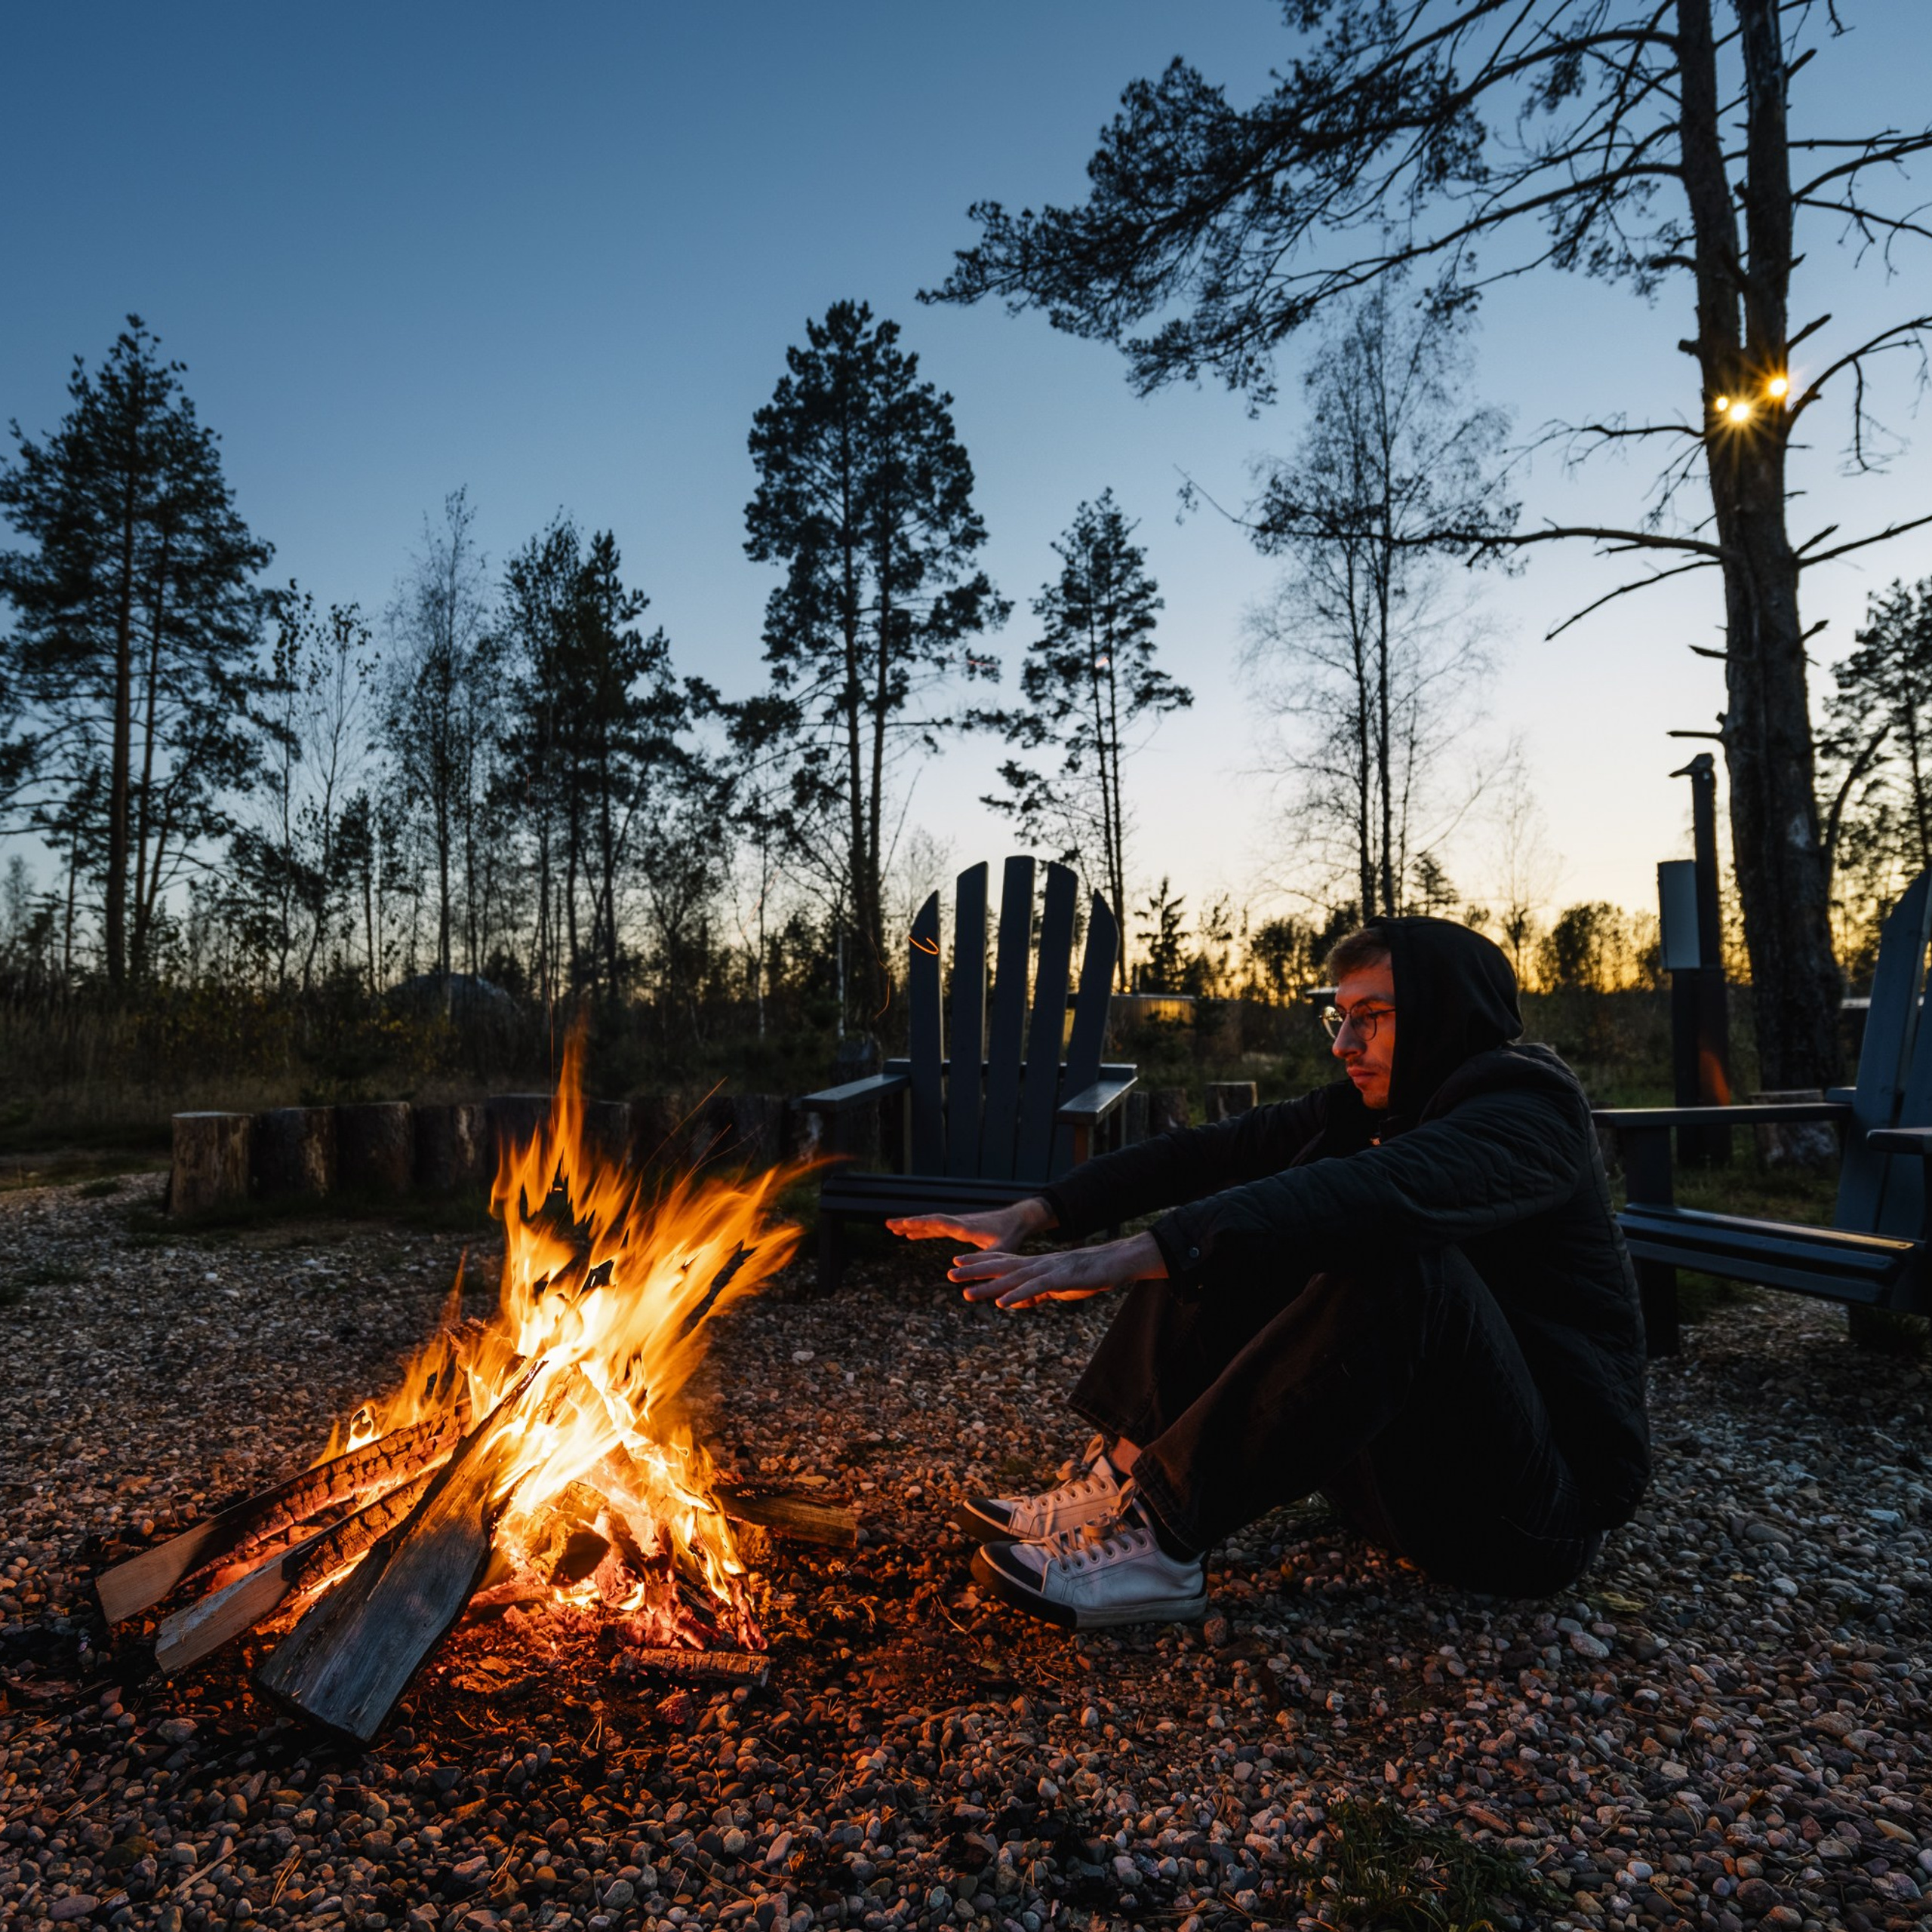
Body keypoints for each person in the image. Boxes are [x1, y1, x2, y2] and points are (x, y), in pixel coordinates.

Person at [888, 917, 1650, 1630]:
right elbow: (1207, 1154)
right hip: (1394, 1486)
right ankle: (1123, 1479)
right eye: (1340, 1017)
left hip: (1524, 1520)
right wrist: (1040, 1210)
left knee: (1383, 1250)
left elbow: (1384, 1192)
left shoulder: (1530, 1110)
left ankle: (1161, 1541)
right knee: (1241, 1214)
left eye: (1371, 1017)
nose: (1343, 1043)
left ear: (1445, 1015)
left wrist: (1131, 1255)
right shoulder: (1375, 1106)